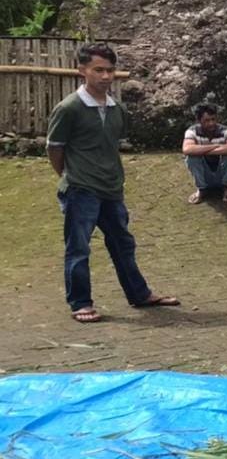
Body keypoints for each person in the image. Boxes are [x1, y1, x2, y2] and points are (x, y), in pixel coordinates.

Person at [46, 43, 180, 323]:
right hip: (80, 189)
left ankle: (139, 294)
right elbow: (54, 148)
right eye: (98, 70)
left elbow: (112, 144)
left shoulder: (117, 108)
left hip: (111, 188)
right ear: (82, 71)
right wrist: (69, 176)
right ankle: (81, 303)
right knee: (79, 247)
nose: (105, 76)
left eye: (110, 70)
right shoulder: (69, 108)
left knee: (122, 243)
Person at [181, 103, 227, 204]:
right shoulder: (192, 131)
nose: (211, 123)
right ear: (199, 121)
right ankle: (201, 189)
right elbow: (187, 149)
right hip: (205, 175)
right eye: (207, 120)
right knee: (191, 157)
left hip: (222, 173)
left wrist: (201, 150)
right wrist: (214, 146)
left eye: (213, 119)